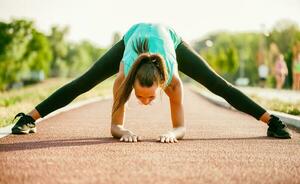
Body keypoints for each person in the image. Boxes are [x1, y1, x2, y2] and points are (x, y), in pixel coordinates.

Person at [11, 23, 292, 142]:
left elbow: (180, 126)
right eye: (140, 96)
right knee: (85, 80)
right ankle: (28, 118)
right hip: (132, 35)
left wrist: (174, 133)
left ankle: (272, 122)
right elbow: (114, 127)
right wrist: (123, 131)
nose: (144, 102)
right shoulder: (124, 75)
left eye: (149, 97)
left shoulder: (172, 80)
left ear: (161, 85)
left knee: (216, 83)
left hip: (170, 37)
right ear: (133, 82)